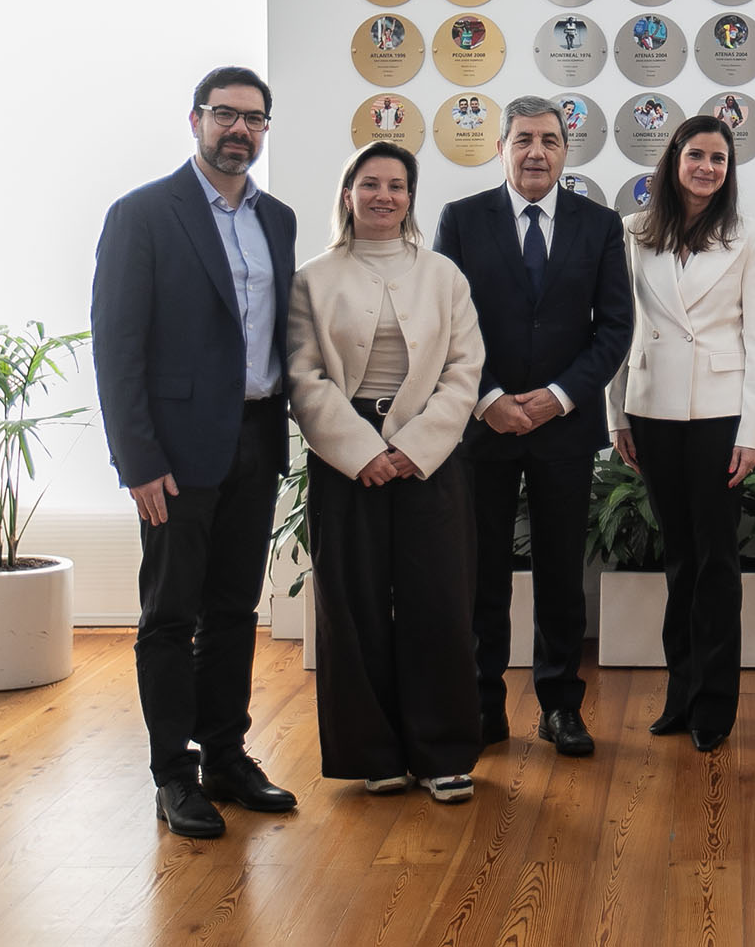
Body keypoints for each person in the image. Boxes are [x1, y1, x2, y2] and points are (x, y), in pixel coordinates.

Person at [91, 66, 298, 839]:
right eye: (225, 115)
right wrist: (137, 459)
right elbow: (117, 345)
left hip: (255, 436)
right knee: (170, 616)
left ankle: (226, 758)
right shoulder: (144, 214)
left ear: (265, 130)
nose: (238, 129)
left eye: (253, 119)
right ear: (196, 120)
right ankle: (173, 775)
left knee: (236, 610)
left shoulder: (276, 219)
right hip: (176, 452)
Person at [434, 96, 633, 758]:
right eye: (523, 140)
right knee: (481, 573)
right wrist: (488, 398)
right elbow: (447, 323)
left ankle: (559, 707)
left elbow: (614, 329)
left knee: (559, 574)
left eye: (549, 140)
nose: (536, 152)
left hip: (562, 429)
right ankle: (482, 706)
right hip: (483, 427)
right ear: (501, 148)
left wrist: (557, 397)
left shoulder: (600, 225)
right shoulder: (461, 221)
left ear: (565, 150)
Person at [287, 141, 486, 802]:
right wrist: (362, 450)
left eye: (396, 186)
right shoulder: (313, 278)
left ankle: (444, 753)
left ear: (410, 197)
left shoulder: (443, 276)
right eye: (369, 184)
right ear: (348, 194)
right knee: (354, 604)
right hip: (346, 462)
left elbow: (464, 371)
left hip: (429, 460)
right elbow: (304, 374)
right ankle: (373, 752)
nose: (383, 196)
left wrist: (414, 447)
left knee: (439, 602)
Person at [608, 115, 755, 753]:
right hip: (651, 410)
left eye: (719, 158)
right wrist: (618, 412)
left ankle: (714, 705)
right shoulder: (633, 234)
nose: (708, 167)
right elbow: (619, 329)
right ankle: (679, 695)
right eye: (697, 154)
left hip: (719, 413)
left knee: (716, 561)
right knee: (677, 559)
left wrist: (754, 430)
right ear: (674, 159)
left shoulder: (749, 238)